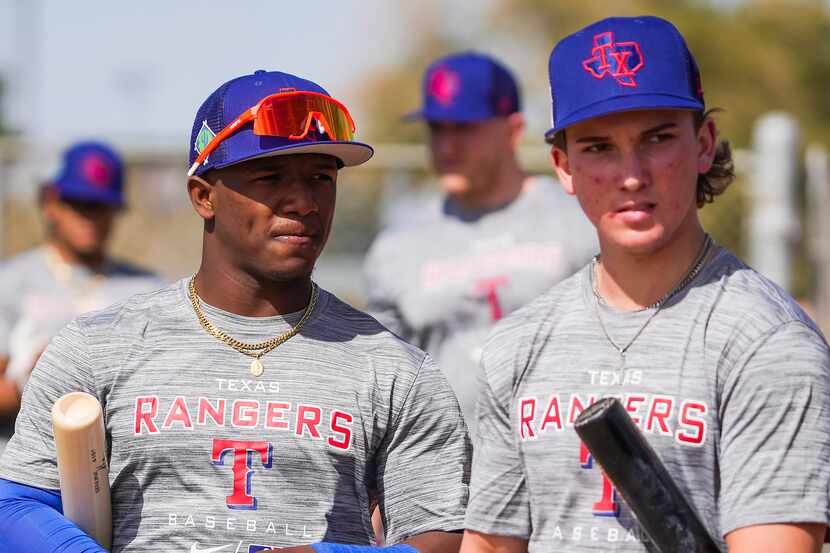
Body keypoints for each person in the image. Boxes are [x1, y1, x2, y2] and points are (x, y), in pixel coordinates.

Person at [0, 70, 470, 553]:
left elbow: (442, 538)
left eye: (320, 179)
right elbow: (15, 505)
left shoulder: (396, 370)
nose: (303, 202)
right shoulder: (98, 346)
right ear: (204, 195)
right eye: (271, 177)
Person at [460, 16, 830, 553]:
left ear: (703, 144)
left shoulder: (767, 342)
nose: (631, 175)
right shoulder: (519, 344)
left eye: (657, 139)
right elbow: (491, 544)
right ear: (563, 166)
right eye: (598, 147)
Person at [364, 52, 596, 435]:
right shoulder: (398, 245)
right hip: (443, 473)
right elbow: (380, 377)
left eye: (464, 128)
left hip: (560, 463)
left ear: (513, 130)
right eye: (437, 129)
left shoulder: (578, 221)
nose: (447, 146)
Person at [0, 141, 164, 452]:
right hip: (22, 467)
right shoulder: (10, 281)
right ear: (51, 203)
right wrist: (35, 380)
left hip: (112, 470)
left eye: (99, 205)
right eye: (78, 203)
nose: (88, 216)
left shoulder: (146, 290)